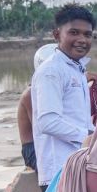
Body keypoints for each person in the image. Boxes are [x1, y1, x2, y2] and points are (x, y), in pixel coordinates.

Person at [31, 5, 95, 191]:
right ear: (57, 35)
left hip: (79, 164)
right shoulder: (51, 71)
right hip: (59, 171)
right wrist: (89, 137)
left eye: (87, 34)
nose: (82, 40)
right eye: (74, 33)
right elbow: (48, 122)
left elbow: (79, 119)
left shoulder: (76, 69)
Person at [18, 43, 58, 171]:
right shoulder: (30, 94)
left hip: (52, 144)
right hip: (35, 149)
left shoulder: (53, 88)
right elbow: (43, 131)